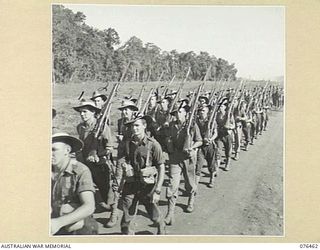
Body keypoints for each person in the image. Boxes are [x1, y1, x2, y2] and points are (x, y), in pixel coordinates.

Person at [115, 113, 166, 235]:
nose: (134, 129)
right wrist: (124, 166)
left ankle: (161, 225)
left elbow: (161, 166)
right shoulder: (127, 143)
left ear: (144, 126)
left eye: (137, 125)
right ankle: (128, 237)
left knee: (153, 213)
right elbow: (121, 158)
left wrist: (158, 190)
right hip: (131, 183)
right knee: (127, 215)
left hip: (147, 185)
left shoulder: (153, 144)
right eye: (132, 126)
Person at [73, 100, 118, 228]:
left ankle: (114, 213)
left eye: (85, 112)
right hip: (86, 164)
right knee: (86, 189)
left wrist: (98, 155)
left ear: (93, 112)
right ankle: (88, 214)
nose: (82, 114)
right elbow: (81, 145)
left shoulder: (103, 127)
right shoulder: (80, 127)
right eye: (81, 112)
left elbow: (110, 147)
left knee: (107, 191)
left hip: (100, 164)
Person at [51, 132, 98, 235]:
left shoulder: (80, 170)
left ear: (67, 151)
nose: (49, 153)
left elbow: (89, 206)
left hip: (77, 228)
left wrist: (58, 222)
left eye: (54, 149)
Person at [164, 104, 203, 222]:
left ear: (186, 114)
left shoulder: (192, 125)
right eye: (176, 113)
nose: (177, 115)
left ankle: (191, 200)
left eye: (180, 112)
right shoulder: (172, 125)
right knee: (172, 185)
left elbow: (199, 140)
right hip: (175, 158)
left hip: (188, 158)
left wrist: (192, 147)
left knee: (190, 183)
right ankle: (170, 213)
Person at [196, 104, 219, 188]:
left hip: (209, 146)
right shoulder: (196, 121)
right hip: (200, 146)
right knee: (198, 165)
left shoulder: (212, 121)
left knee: (211, 164)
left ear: (207, 112)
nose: (201, 112)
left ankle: (212, 179)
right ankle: (195, 185)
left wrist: (211, 139)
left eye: (203, 111)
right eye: (200, 111)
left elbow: (215, 133)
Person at [215, 98, 235, 171]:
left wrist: (229, 127)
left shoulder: (229, 114)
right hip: (219, 134)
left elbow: (233, 124)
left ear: (225, 107)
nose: (220, 107)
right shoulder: (217, 114)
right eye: (219, 106)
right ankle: (216, 167)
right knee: (218, 150)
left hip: (227, 134)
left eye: (222, 106)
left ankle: (227, 163)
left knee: (228, 150)